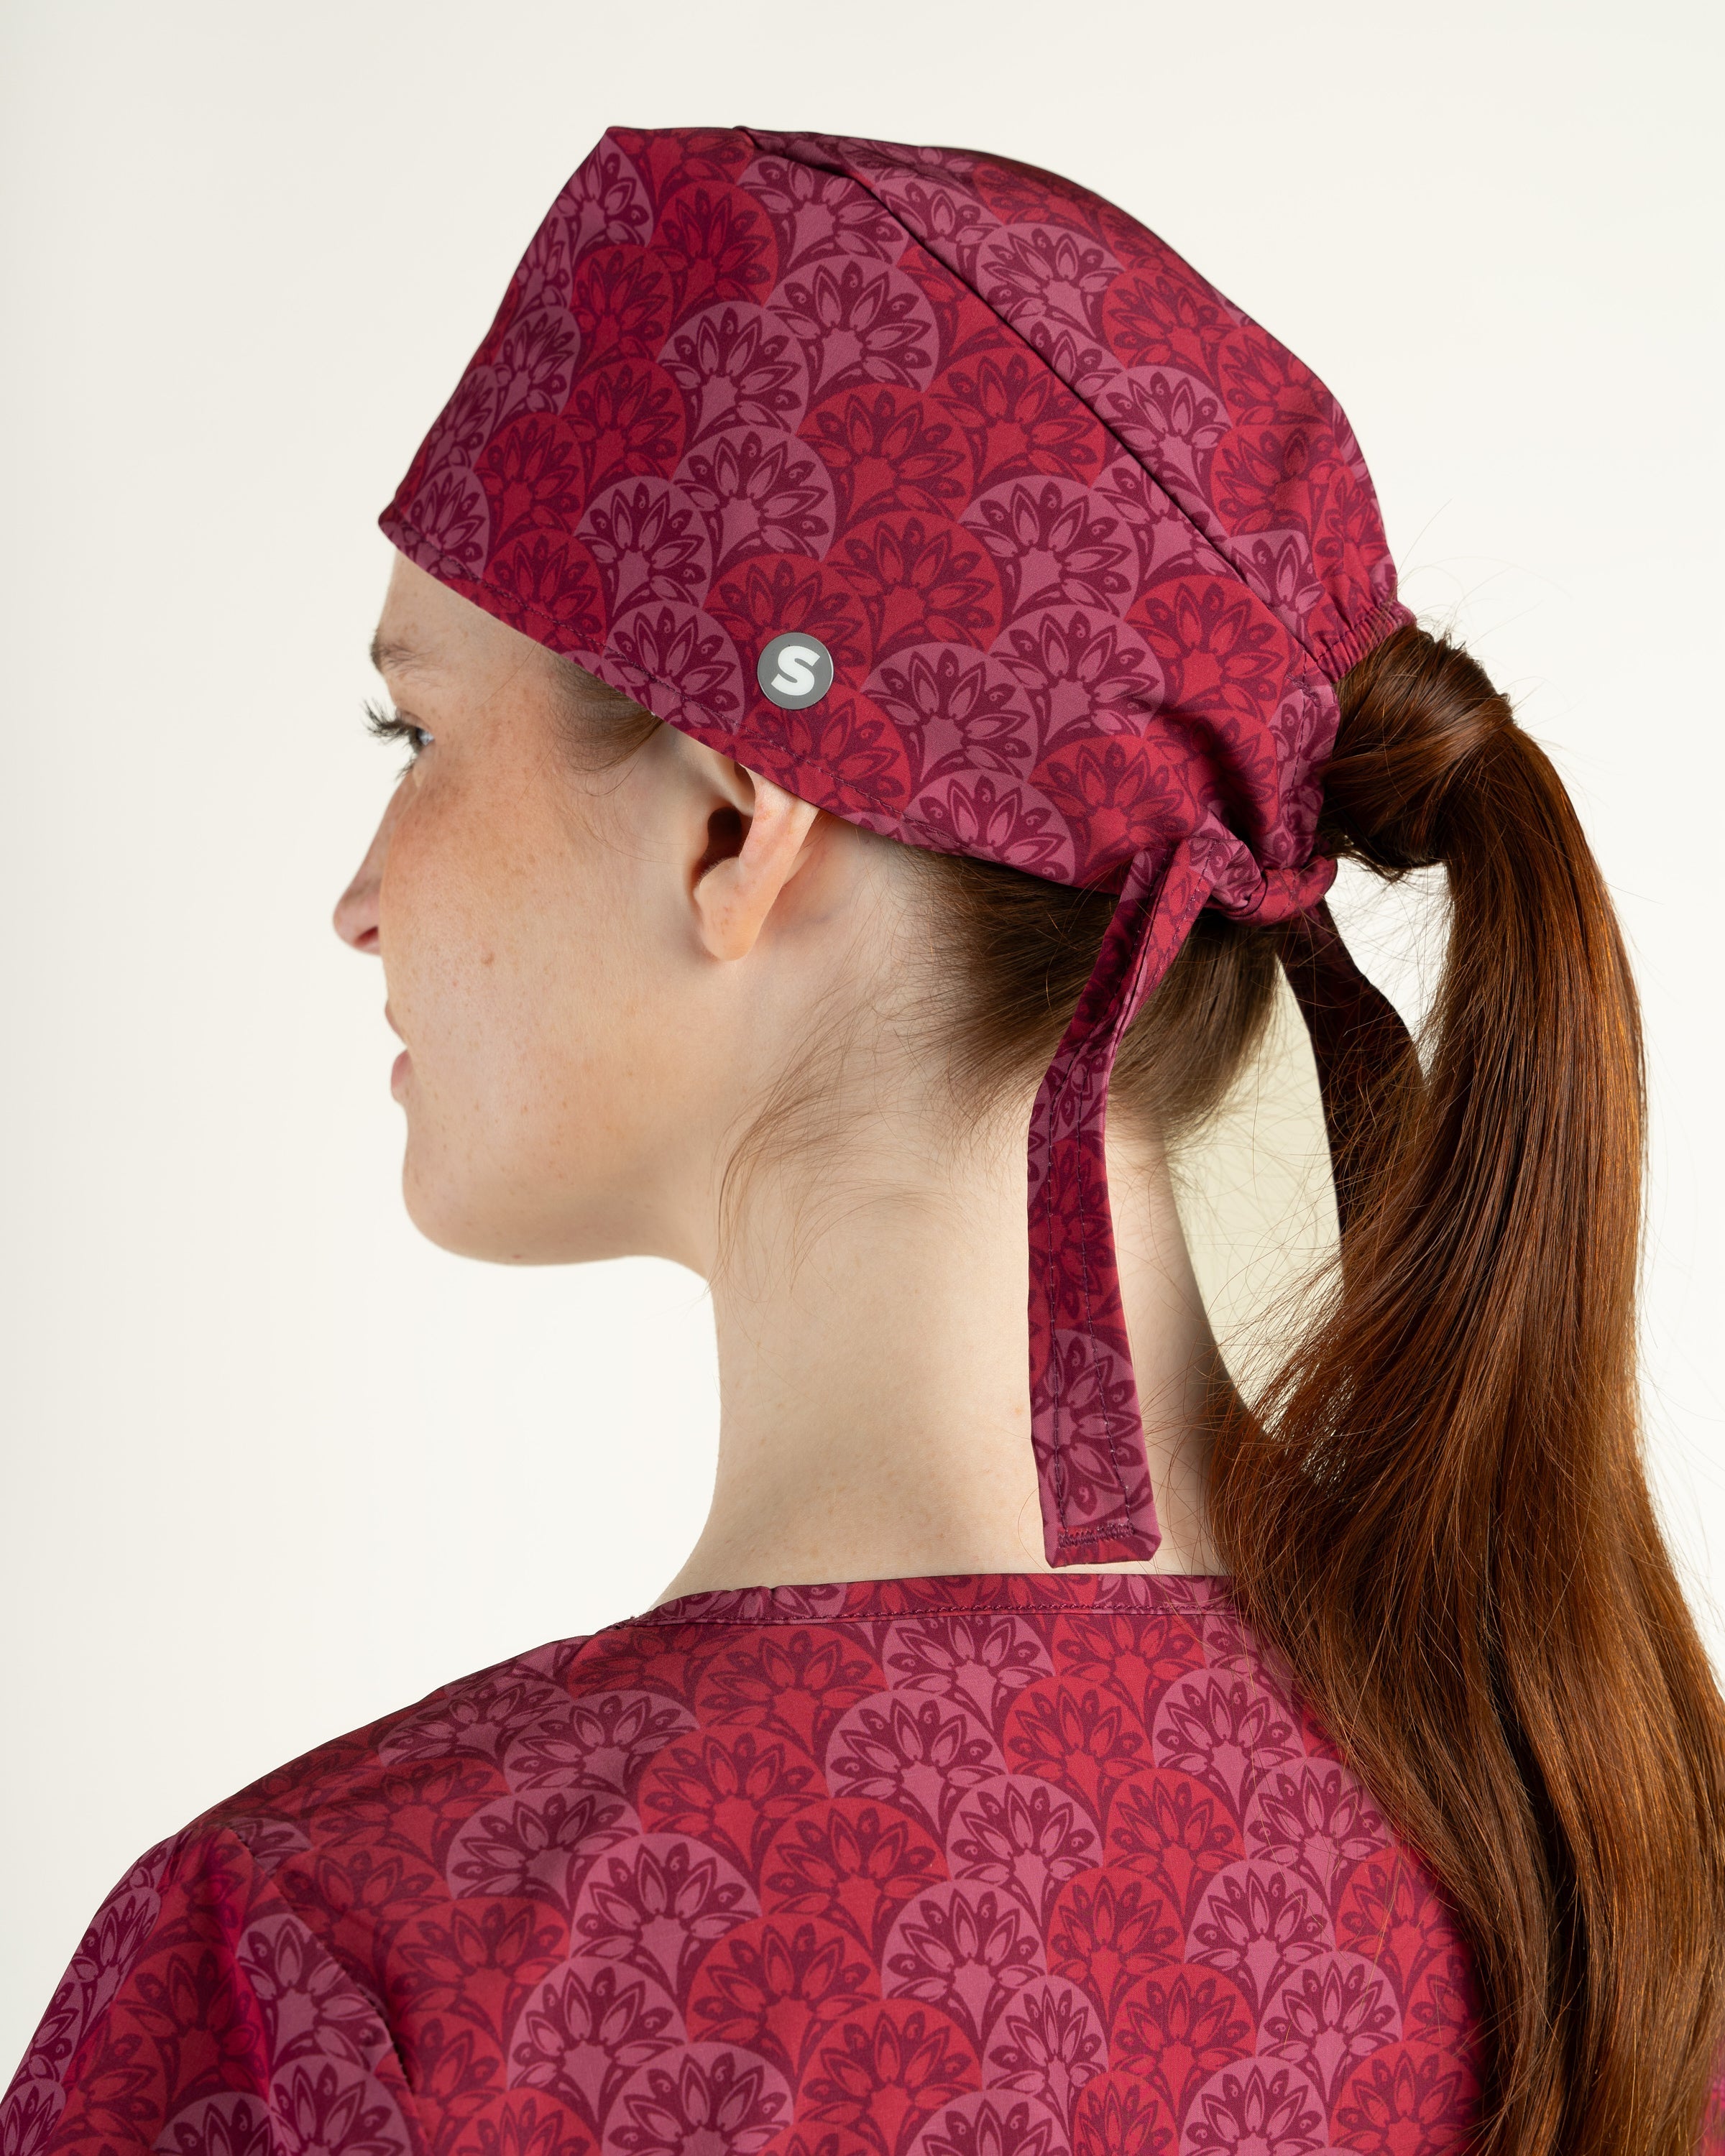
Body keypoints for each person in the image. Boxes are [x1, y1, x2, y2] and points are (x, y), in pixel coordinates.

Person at [3, 126, 1721, 2156]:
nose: (361, 900)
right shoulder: (1613, 1904)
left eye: (421, 733)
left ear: (734, 824)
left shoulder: (330, 1983)